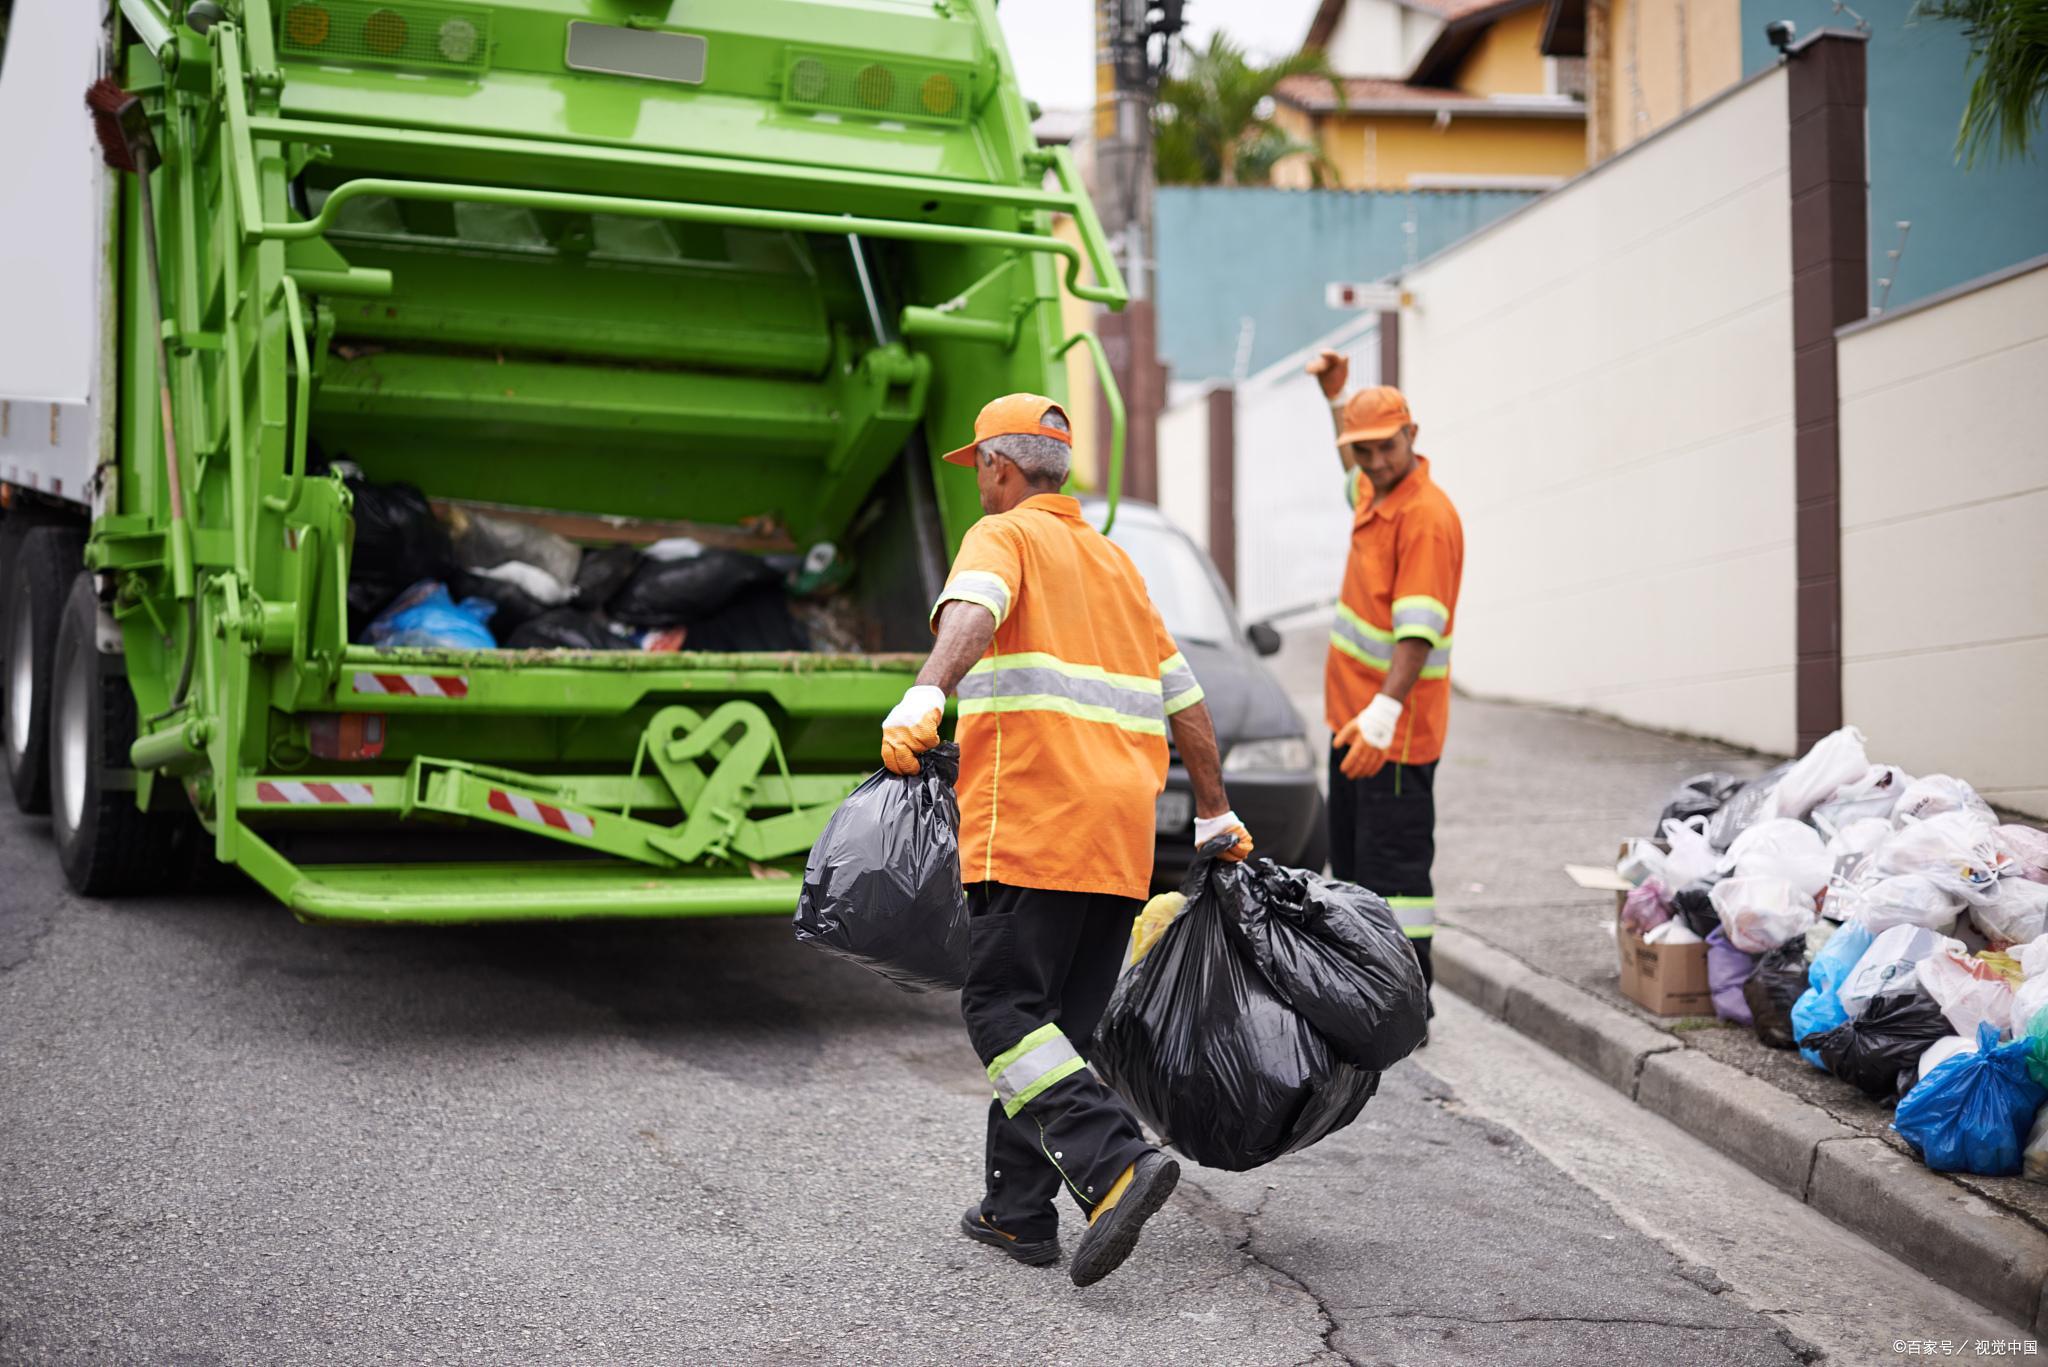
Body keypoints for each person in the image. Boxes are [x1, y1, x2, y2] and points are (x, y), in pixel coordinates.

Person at [879, 393, 1253, 1287]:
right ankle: (1017, 1214)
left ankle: (1115, 1159)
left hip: (1033, 821)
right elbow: (1187, 701)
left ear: (1003, 471)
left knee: (1002, 1011)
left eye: (979, 470)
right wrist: (1214, 811)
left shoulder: (1004, 536)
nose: (978, 484)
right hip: (1119, 840)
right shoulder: (1118, 566)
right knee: (1053, 1033)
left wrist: (926, 692)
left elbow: (971, 612)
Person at [1304, 350, 1464, 1023]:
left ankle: (1407, 1007)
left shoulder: (1425, 517)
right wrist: (1336, 398)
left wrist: (1382, 714)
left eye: (1383, 448)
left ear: (1412, 437)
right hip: (1355, 724)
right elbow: (1353, 470)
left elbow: (1418, 632)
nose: (1372, 461)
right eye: (1363, 450)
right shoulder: (1378, 492)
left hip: (1392, 736)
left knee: (1398, 880)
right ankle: (1367, 990)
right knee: (1358, 871)